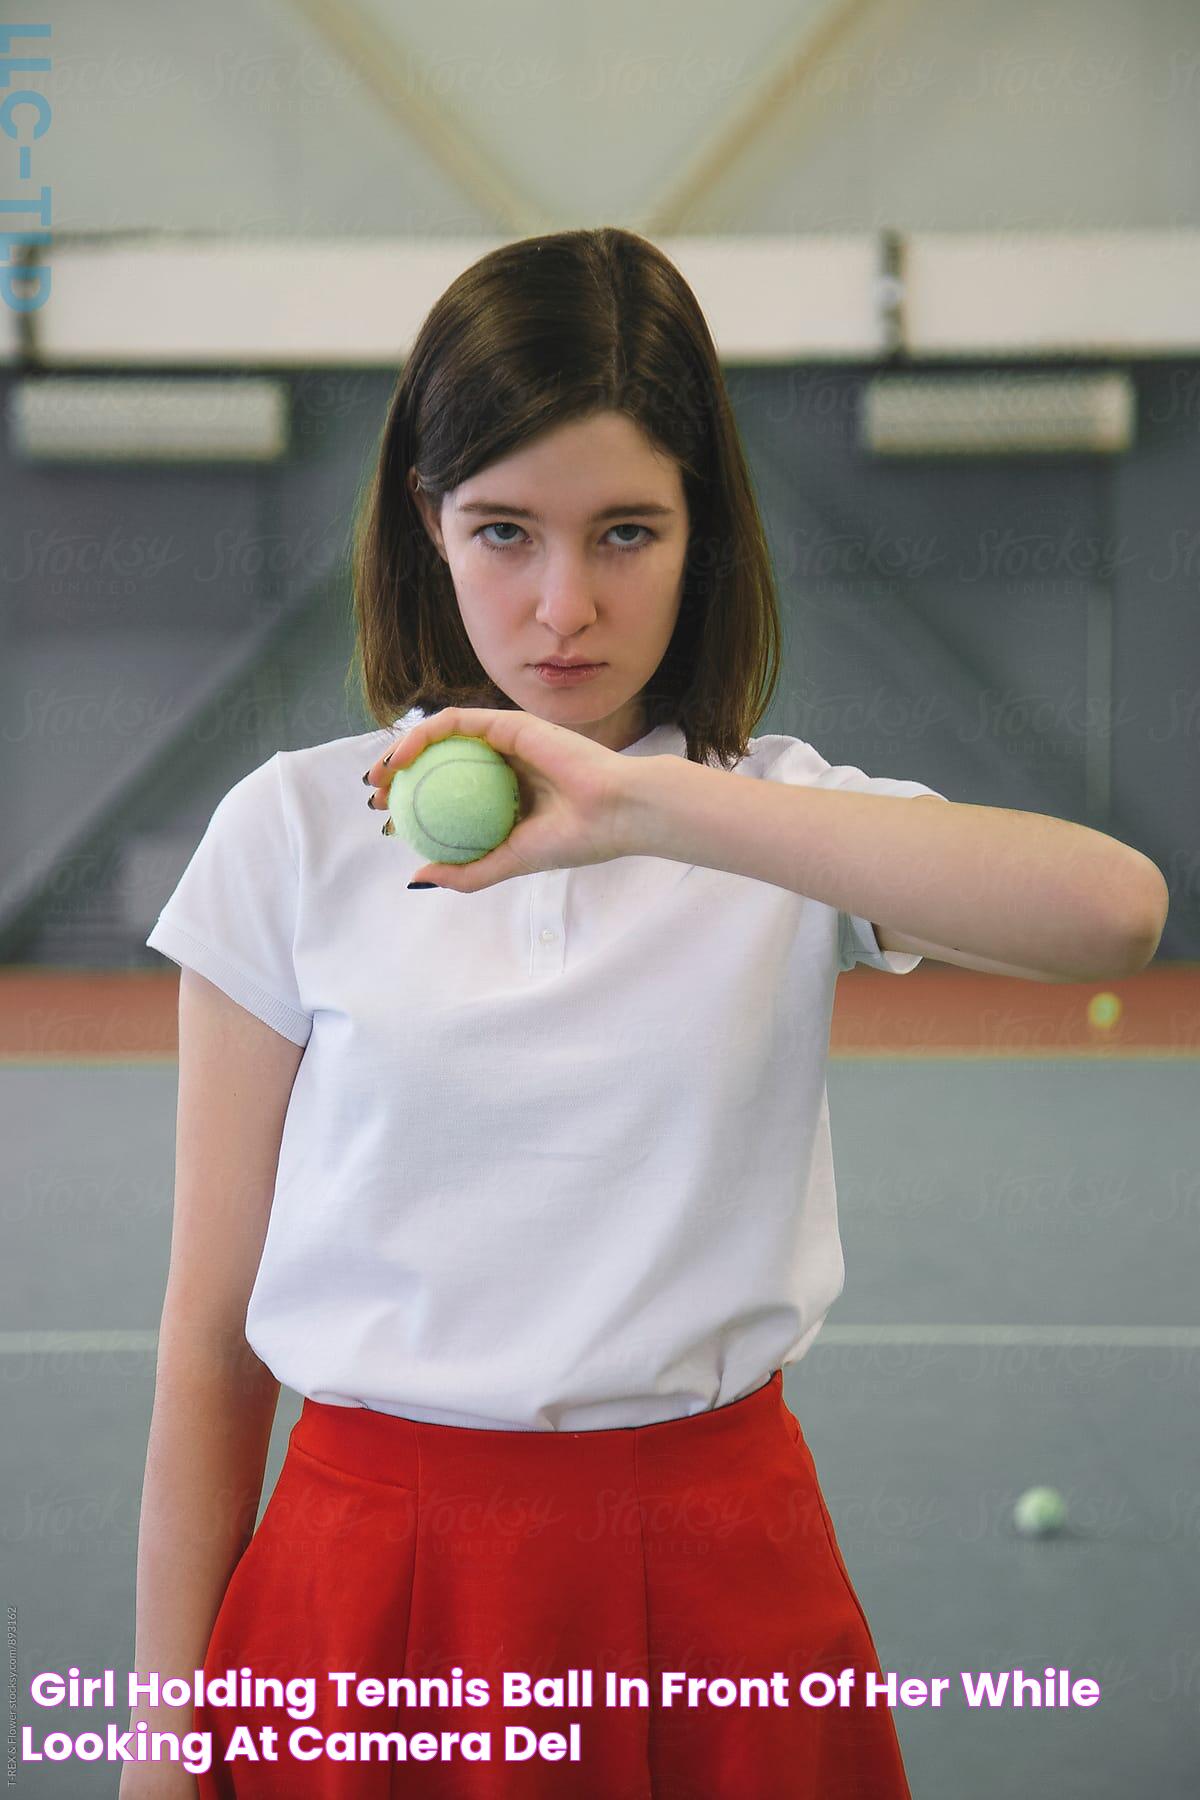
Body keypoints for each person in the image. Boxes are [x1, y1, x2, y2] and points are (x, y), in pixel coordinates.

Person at [126, 226, 951, 1799]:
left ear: (704, 533)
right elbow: (210, 1337)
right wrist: (162, 1741)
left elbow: (1111, 909)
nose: (564, 604)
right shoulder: (290, 831)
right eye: (505, 529)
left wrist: (662, 808)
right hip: (367, 1580)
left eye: (627, 530)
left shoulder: (771, 822)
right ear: (427, 525)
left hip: (720, 1574)